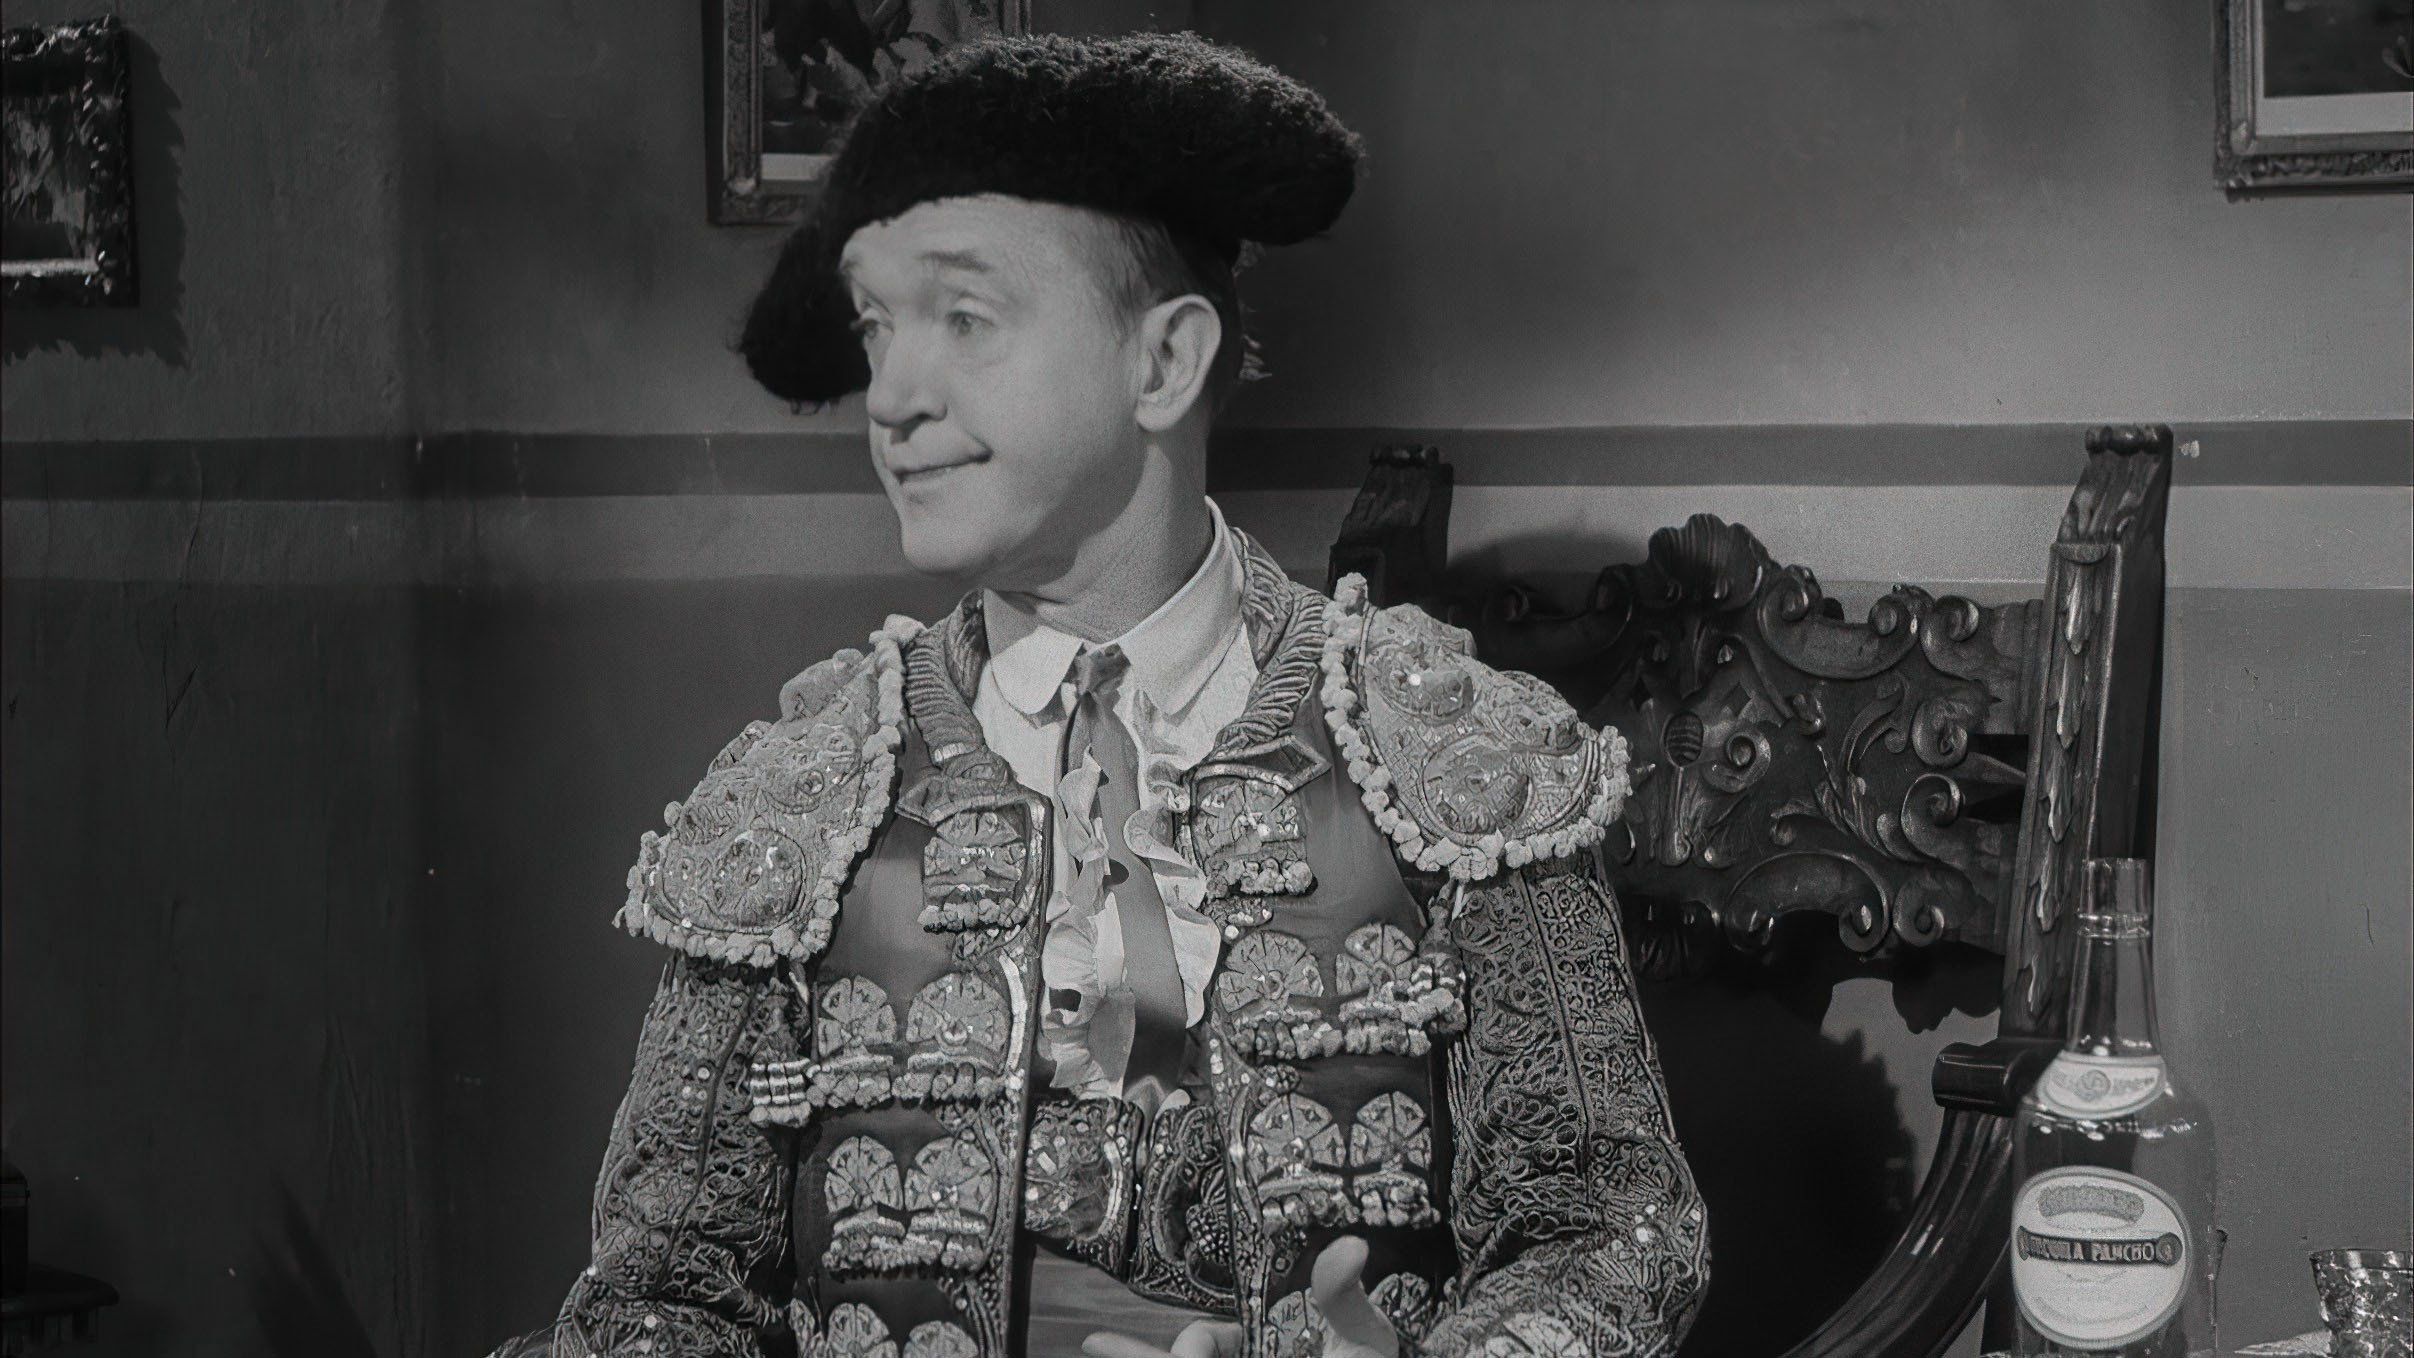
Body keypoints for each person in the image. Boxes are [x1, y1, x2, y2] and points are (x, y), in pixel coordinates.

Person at [491, 31, 1706, 1358]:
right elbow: (658, 1300)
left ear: (1163, 363)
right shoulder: (799, 796)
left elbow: (1607, 1237)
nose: (890, 396)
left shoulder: (1449, 760)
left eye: (964, 319)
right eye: (876, 327)